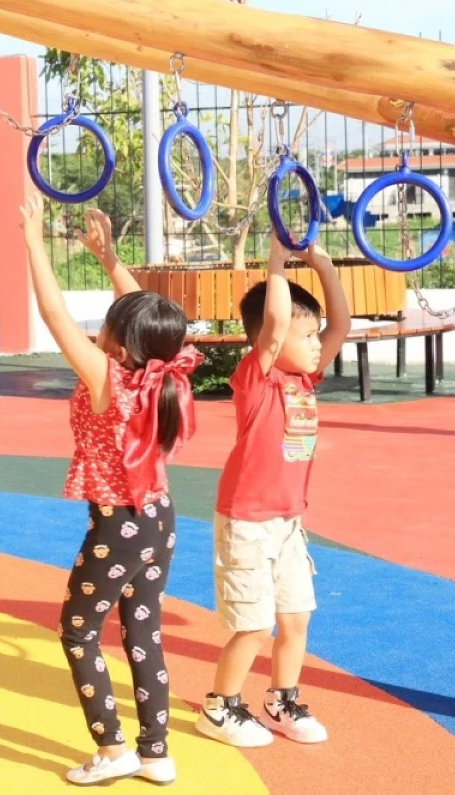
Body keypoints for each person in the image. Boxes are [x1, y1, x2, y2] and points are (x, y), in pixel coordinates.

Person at [20, 197, 202, 786]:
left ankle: (112, 748)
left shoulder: (108, 377)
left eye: (106, 325)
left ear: (117, 345)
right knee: (142, 632)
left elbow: (53, 314)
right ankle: (156, 752)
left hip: (119, 525)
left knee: (77, 632)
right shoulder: (164, 371)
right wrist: (109, 260)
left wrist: (33, 242)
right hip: (158, 518)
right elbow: (147, 317)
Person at [196, 235, 350, 747]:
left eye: (314, 336)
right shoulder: (257, 379)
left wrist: (322, 263)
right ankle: (220, 707)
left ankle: (281, 700)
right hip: (247, 522)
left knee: (296, 618)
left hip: (287, 523)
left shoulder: (304, 380)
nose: (316, 343)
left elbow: (341, 326)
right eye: (306, 336)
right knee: (255, 626)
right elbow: (277, 326)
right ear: (271, 340)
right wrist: (277, 264)